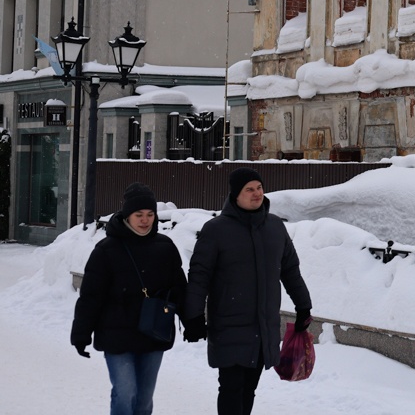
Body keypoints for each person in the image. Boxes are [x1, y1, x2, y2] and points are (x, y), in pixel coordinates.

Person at [184, 167, 312, 415]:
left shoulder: (275, 227)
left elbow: (290, 271)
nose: (257, 194)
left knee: (249, 390)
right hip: (229, 325)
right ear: (235, 195)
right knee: (231, 388)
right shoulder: (216, 230)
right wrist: (194, 316)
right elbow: (199, 276)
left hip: (263, 326)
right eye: (249, 189)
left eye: (259, 188)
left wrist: (303, 305)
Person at [71, 183, 187, 415]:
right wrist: (81, 333)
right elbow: (91, 297)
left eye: (150, 214)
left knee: (144, 400)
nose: (145, 220)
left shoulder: (165, 247)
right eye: (138, 215)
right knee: (126, 393)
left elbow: (179, 289)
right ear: (127, 215)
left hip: (153, 333)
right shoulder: (106, 250)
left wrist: (192, 323)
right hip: (117, 335)